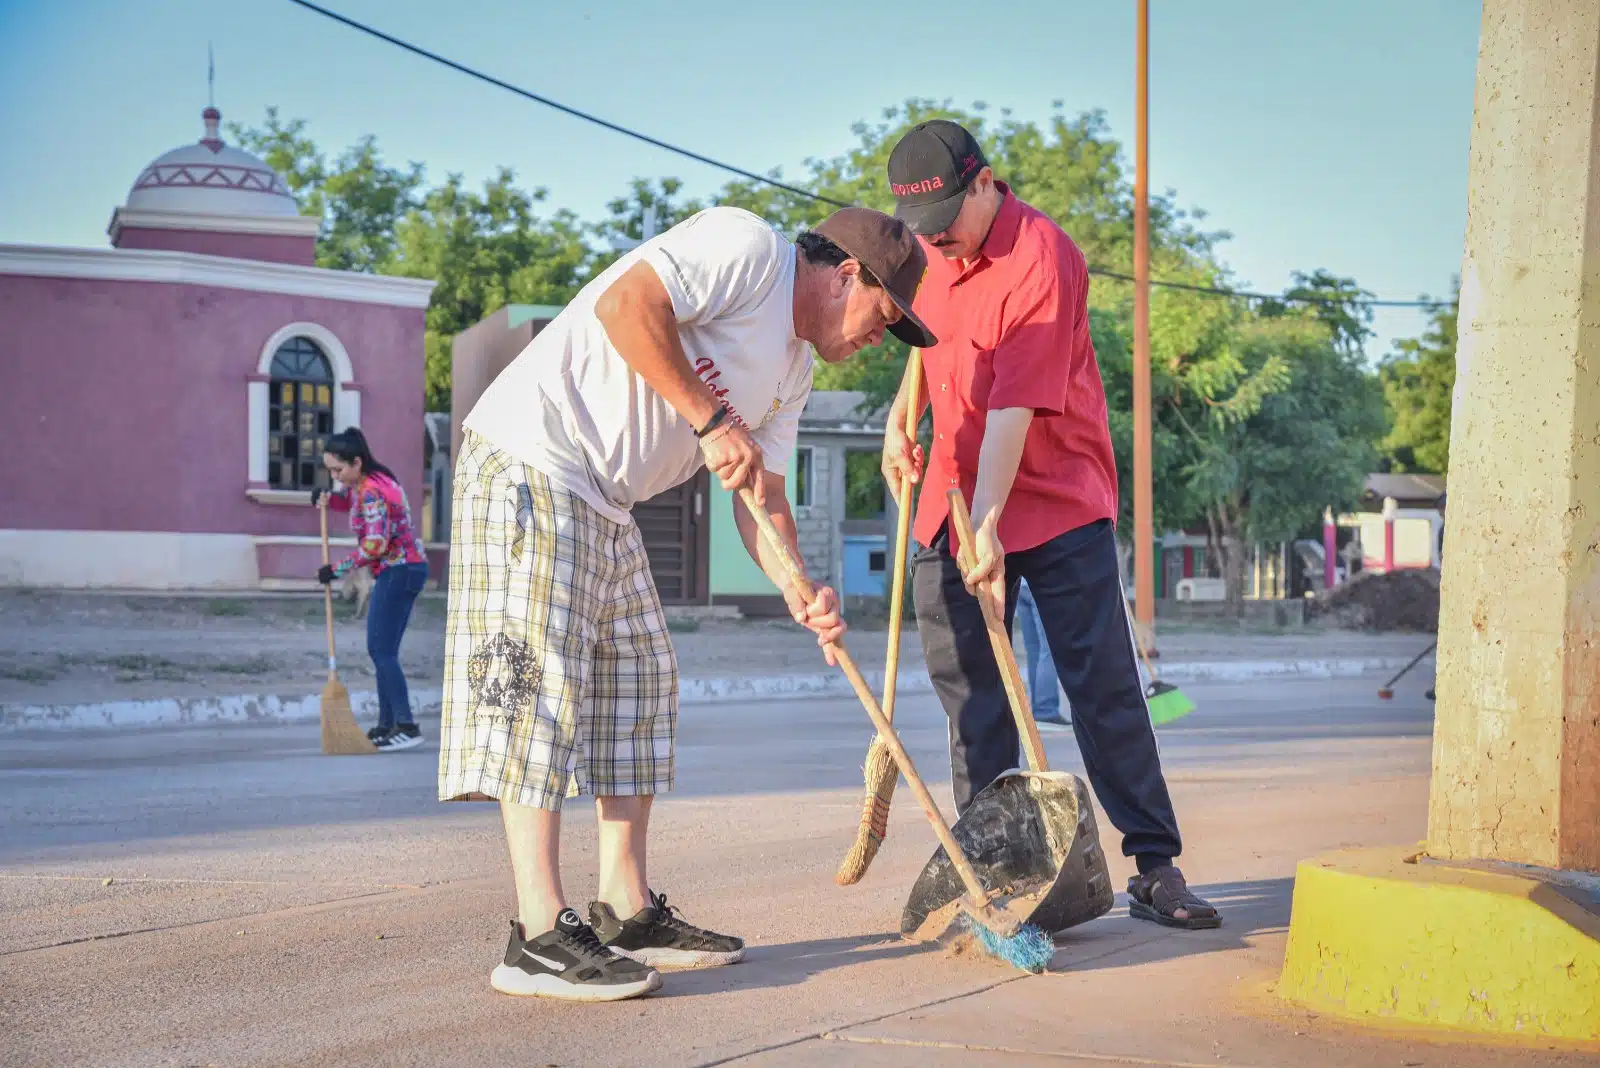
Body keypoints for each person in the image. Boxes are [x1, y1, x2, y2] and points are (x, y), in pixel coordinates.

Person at [441, 204, 936, 1002]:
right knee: (540, 689)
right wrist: (708, 420)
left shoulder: (795, 370)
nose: (879, 340)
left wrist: (799, 589)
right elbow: (625, 306)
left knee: (640, 681)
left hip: (604, 499)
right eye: (885, 317)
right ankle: (535, 935)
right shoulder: (749, 251)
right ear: (849, 274)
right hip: (533, 460)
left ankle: (627, 911)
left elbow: (762, 495)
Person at [881, 120, 1219, 930]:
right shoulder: (933, 248)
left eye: (949, 227)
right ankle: (996, 867)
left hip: (1053, 494)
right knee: (971, 694)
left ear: (986, 183)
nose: (940, 246)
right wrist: (904, 414)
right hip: (951, 496)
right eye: (925, 233)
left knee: (1100, 686)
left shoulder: (1043, 255)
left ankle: (1154, 864)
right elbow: (925, 340)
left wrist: (990, 527)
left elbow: (1012, 413)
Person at [313, 427, 430, 752]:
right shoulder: (369, 484)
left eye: (339, 470)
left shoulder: (371, 492)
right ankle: (387, 725)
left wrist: (335, 571)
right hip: (403, 569)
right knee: (383, 651)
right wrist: (330, 500)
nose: (336, 476)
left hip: (399, 570)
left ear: (357, 462)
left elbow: (376, 544)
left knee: (381, 650)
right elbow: (352, 505)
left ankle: (406, 726)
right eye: (331, 471)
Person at [1016, 579, 1069, 726]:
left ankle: (1038, 707)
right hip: (1040, 584)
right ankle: (1045, 708)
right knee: (1049, 649)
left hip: (1020, 585)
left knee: (1034, 650)